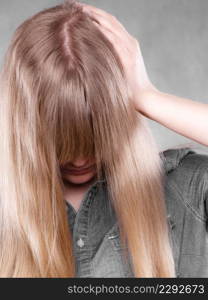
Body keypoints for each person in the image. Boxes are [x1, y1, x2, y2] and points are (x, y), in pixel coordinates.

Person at [0, 0, 207, 278]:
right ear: (27, 127)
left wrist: (148, 97)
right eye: (61, 142)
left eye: (95, 139)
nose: (80, 159)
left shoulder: (186, 191)